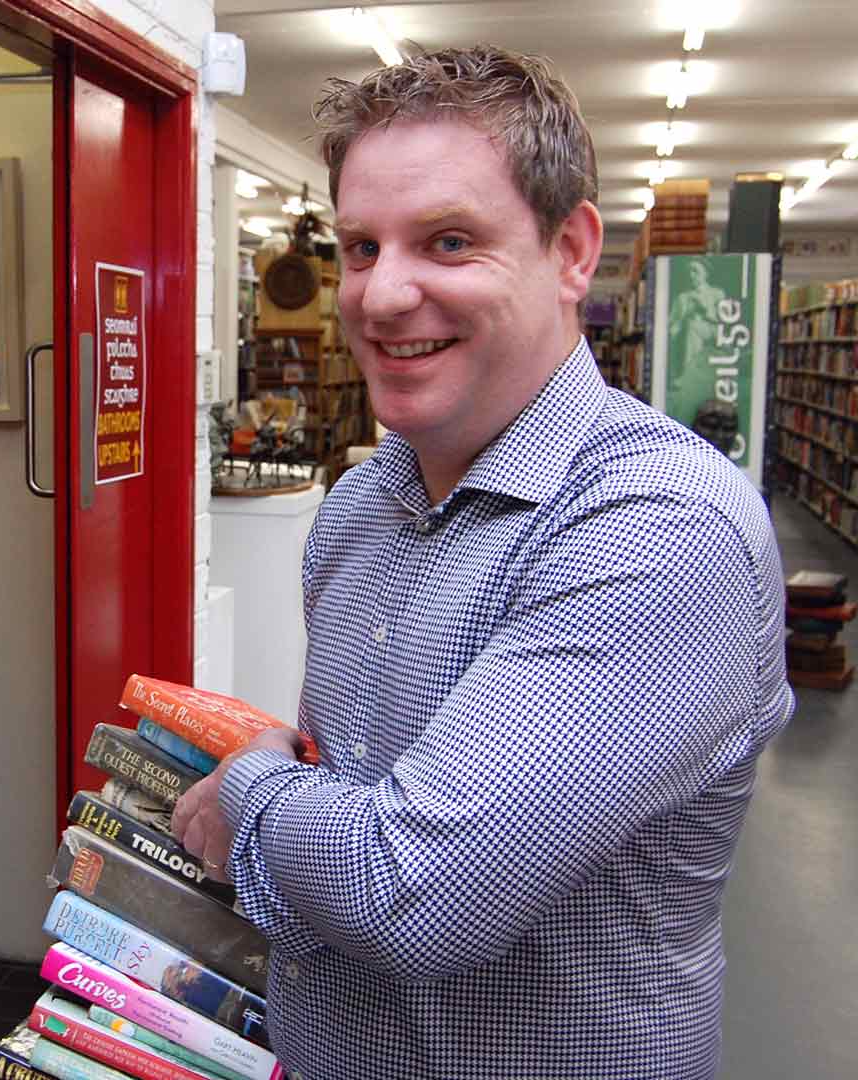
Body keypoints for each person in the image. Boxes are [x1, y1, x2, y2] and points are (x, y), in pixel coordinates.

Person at [170, 46, 794, 1080]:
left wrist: (252, 788)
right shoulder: (363, 503)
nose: (382, 296)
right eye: (362, 247)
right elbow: (364, 784)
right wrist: (308, 786)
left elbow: (410, 892)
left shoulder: (662, 528)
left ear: (571, 250)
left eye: (449, 241)